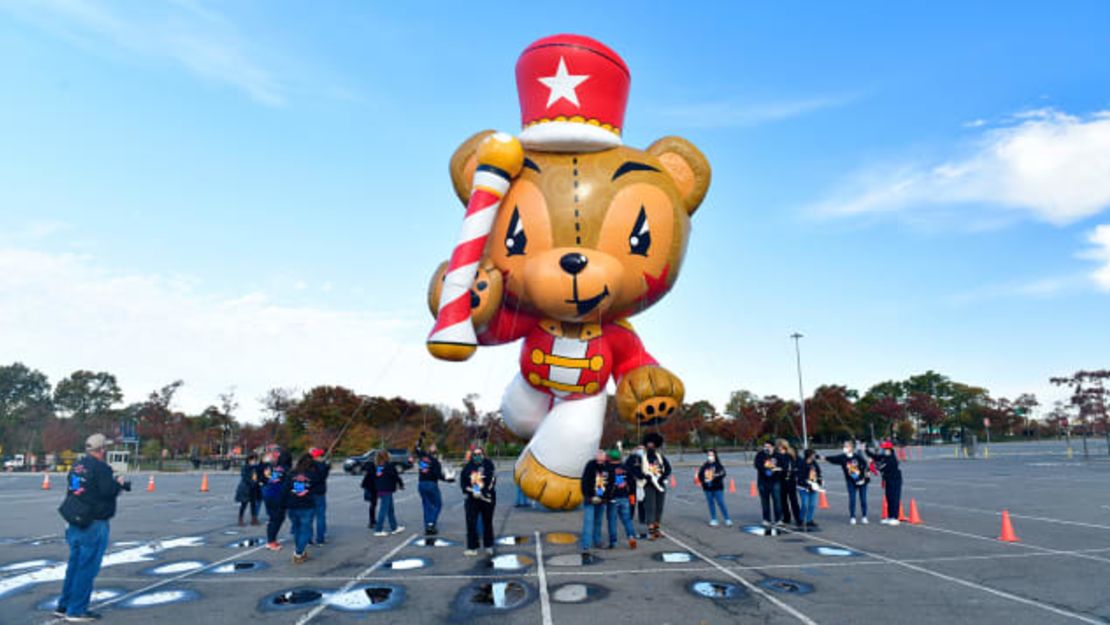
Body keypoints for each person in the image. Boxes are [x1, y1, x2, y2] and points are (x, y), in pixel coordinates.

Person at [56, 433, 130, 622]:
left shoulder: (77, 466)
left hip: (75, 519)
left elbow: (75, 488)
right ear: (102, 450)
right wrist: (119, 484)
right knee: (87, 567)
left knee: (74, 564)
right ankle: (77, 610)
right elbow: (108, 491)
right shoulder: (101, 468)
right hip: (93, 522)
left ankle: (64, 605)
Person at [460, 444, 497, 556]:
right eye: (475, 454)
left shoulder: (488, 465)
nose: (477, 456)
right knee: (471, 523)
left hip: (487, 498)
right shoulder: (467, 467)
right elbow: (463, 483)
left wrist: (484, 492)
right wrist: (471, 491)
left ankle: (489, 546)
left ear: (483, 454)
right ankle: (472, 547)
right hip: (472, 500)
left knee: (487, 522)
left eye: (479, 454)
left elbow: (492, 481)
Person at [825, 440, 870, 524]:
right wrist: (823, 457)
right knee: (852, 499)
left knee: (863, 499)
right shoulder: (843, 457)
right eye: (844, 446)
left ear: (851, 448)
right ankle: (852, 516)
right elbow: (833, 458)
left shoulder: (857, 456)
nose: (844, 448)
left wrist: (864, 477)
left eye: (846, 446)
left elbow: (865, 465)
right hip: (850, 481)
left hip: (861, 481)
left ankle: (864, 516)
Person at [284, 453, 316, 563]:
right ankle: (298, 552)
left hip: (293, 505)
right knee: (306, 531)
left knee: (297, 529)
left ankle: (300, 551)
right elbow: (317, 488)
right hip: (306, 505)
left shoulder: (291, 474)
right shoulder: (312, 475)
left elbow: (285, 489)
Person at [640, 433, 671, 540]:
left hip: (660, 485)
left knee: (659, 507)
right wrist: (646, 477)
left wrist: (662, 477)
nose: (650, 446)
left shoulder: (660, 457)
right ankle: (650, 531)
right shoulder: (642, 457)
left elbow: (668, 468)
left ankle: (657, 529)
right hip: (648, 485)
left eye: (652, 444)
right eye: (648, 444)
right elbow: (638, 470)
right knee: (650, 507)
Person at [579, 450, 609, 555]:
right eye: (599, 457)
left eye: (602, 457)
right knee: (588, 521)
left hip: (601, 499)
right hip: (590, 499)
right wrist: (588, 496)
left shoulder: (607, 466)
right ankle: (586, 545)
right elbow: (585, 482)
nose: (600, 459)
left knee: (598, 522)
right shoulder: (590, 465)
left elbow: (610, 482)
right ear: (596, 457)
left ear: (605, 458)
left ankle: (597, 541)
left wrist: (605, 497)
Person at [605, 448, 637, 549]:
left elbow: (604, 482)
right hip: (624, 497)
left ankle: (613, 542)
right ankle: (631, 536)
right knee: (627, 519)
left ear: (610, 457)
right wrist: (632, 495)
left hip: (612, 497)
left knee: (612, 520)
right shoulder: (626, 467)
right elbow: (632, 483)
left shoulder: (608, 468)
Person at [416, 442, 450, 535]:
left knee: (426, 505)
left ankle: (427, 525)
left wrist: (420, 439)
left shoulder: (422, 458)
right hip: (431, 484)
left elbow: (417, 448)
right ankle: (431, 523)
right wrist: (448, 479)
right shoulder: (435, 462)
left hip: (421, 483)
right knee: (437, 504)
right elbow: (438, 475)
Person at [260, 449, 291, 551]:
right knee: (276, 519)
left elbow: (272, 481)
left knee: (274, 519)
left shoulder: (278, 469)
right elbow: (285, 485)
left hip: (270, 495)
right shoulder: (285, 469)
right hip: (277, 497)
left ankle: (271, 540)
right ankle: (271, 541)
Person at [868, 441, 903, 526]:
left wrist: (874, 464)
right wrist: (867, 450)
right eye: (883, 449)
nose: (883, 450)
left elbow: (882, 467)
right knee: (889, 498)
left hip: (895, 480)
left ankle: (895, 517)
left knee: (894, 498)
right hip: (888, 480)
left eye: (885, 449)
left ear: (889, 449)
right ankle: (890, 516)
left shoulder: (892, 459)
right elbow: (876, 457)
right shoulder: (885, 456)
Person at [754, 440, 784, 533]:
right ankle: (766, 519)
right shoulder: (760, 455)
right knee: (765, 501)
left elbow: (783, 465)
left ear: (773, 447)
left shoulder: (777, 455)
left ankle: (778, 519)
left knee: (777, 501)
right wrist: (764, 470)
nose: (766, 448)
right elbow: (757, 465)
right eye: (765, 446)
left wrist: (775, 470)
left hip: (775, 481)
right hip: (763, 482)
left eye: (768, 446)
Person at [372, 450, 405, 536]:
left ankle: (394, 527)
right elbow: (395, 476)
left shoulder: (378, 466)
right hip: (387, 489)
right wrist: (401, 484)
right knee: (383, 510)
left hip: (380, 489)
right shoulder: (389, 466)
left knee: (390, 510)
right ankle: (378, 530)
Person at [698, 448, 732, 527]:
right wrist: (704, 480)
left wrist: (714, 477)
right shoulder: (705, 465)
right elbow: (700, 475)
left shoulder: (718, 465)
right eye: (708, 455)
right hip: (707, 488)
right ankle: (714, 519)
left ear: (715, 456)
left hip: (717, 487)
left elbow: (722, 474)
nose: (710, 457)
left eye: (711, 455)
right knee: (711, 503)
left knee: (721, 502)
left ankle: (727, 518)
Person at [796, 449, 824, 530]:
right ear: (809, 455)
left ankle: (809, 520)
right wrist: (807, 484)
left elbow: (818, 472)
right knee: (805, 504)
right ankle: (801, 519)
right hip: (803, 487)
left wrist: (819, 481)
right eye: (813, 455)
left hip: (814, 486)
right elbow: (800, 476)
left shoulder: (814, 463)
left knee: (812, 504)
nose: (814, 456)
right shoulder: (802, 463)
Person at [777, 439, 801, 529]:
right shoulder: (778, 455)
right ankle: (786, 517)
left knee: (793, 500)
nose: (779, 448)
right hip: (781, 480)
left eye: (781, 446)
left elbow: (798, 462)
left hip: (791, 480)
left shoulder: (790, 455)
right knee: (783, 500)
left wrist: (795, 470)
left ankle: (798, 518)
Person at [308, 448, 330, 545]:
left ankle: (309, 538)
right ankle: (320, 538)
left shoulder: (309, 466)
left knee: (309, 516)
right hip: (320, 492)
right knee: (320, 516)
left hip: (310, 492)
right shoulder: (324, 466)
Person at [625, 444, 648, 538]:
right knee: (632, 503)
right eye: (639, 449)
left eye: (642, 449)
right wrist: (633, 478)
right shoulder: (631, 459)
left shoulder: (646, 459)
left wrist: (643, 477)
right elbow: (626, 470)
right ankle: (629, 518)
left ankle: (642, 519)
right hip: (632, 486)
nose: (640, 450)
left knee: (642, 503)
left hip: (642, 485)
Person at [235, 453, 261, 527]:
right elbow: (245, 477)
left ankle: (254, 519)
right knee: (244, 504)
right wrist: (252, 481)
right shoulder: (245, 467)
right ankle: (240, 519)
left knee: (253, 504)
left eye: (255, 460)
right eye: (253, 460)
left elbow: (258, 476)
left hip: (253, 488)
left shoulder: (255, 468)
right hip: (245, 488)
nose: (254, 461)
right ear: (249, 460)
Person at [359, 462, 378, 529]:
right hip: (374, 491)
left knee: (372, 506)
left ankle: (371, 521)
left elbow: (362, 484)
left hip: (369, 491)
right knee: (374, 505)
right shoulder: (375, 472)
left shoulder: (368, 475)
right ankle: (372, 521)